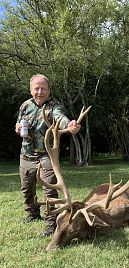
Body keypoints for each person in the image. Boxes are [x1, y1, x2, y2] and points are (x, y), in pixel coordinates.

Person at [15, 74, 81, 237]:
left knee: (50, 190)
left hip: (47, 156)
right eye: (36, 88)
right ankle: (32, 213)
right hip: (27, 155)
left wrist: (70, 124)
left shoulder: (54, 105)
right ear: (31, 90)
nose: (40, 91)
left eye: (43, 88)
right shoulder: (25, 106)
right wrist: (17, 128)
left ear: (48, 90)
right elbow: (19, 124)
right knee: (26, 189)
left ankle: (51, 224)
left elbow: (61, 118)